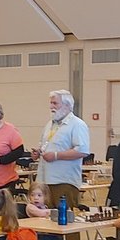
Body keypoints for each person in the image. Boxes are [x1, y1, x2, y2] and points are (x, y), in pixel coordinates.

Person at [34, 89, 91, 223]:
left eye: (55, 103)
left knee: (66, 221)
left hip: (64, 181)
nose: (51, 106)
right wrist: (38, 152)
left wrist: (55, 155)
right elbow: (45, 144)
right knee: (47, 221)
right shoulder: (50, 124)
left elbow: (82, 150)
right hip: (45, 179)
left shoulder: (77, 124)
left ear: (67, 105)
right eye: (51, 103)